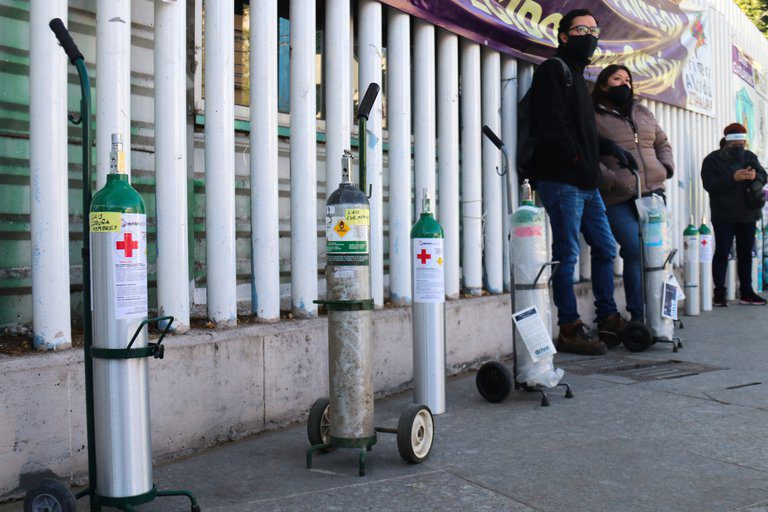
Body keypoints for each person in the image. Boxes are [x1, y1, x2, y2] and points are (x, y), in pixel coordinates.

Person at [530, 9, 636, 355]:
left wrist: (610, 148)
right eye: (581, 29)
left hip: (585, 182)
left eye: (594, 30)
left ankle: (606, 317)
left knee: (606, 248)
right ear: (564, 37)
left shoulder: (579, 78)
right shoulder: (554, 71)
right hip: (562, 179)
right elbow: (552, 128)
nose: (589, 36)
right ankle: (569, 327)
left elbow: (583, 132)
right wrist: (578, 162)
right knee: (567, 253)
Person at [592, 64, 675, 322]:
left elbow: (662, 142)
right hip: (618, 196)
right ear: (604, 84)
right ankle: (638, 315)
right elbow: (589, 151)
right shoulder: (594, 114)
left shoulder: (642, 111)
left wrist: (664, 168)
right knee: (633, 249)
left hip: (652, 194)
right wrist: (611, 179)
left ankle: (659, 314)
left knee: (656, 252)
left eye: (627, 79)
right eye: (617, 78)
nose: (624, 83)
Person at [701, 123, 767, 306]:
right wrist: (733, 178)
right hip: (724, 215)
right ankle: (719, 293)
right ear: (727, 142)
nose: (740, 148)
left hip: (748, 213)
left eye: (742, 144)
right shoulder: (712, 160)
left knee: (746, 254)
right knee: (722, 252)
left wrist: (755, 176)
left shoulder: (749, 156)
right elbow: (709, 184)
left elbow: (763, 175)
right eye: (736, 144)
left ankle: (747, 292)